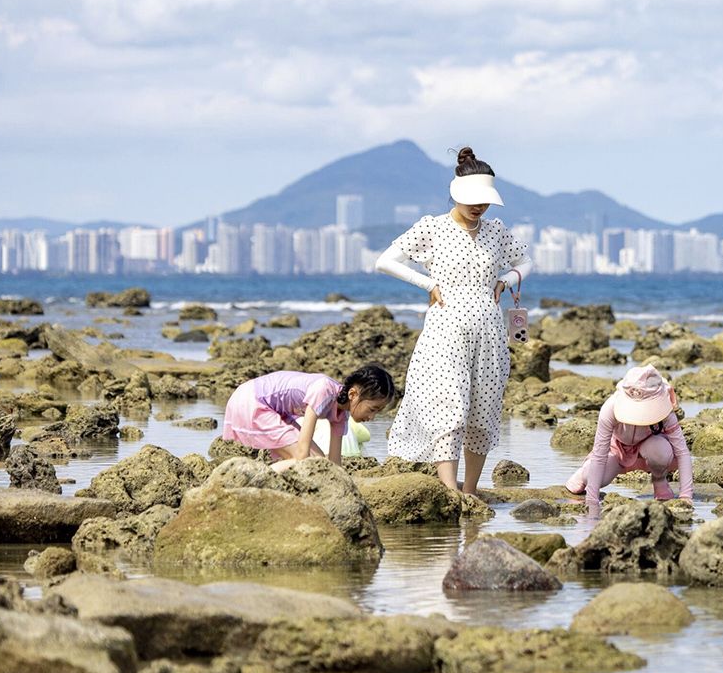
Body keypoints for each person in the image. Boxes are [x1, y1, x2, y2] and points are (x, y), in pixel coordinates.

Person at [375, 146, 532, 495]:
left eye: (485, 201)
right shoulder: (433, 228)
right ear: (456, 193)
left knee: (483, 409)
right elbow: (385, 261)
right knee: (449, 407)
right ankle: (449, 490)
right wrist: (428, 284)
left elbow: (526, 261)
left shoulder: (497, 231)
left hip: (489, 331)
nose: (479, 207)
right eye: (473, 200)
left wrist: (506, 281)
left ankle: (470, 491)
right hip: (446, 330)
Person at [563, 365, 693, 513]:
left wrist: (686, 496)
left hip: (649, 445)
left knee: (661, 451)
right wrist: (592, 499)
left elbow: (682, 452)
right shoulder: (610, 407)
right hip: (616, 449)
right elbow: (600, 454)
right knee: (592, 476)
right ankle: (582, 475)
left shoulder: (666, 410)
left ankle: (659, 481)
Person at [221, 364, 396, 468]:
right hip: (252, 400)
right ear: (353, 394)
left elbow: (334, 465)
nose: (372, 417)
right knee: (307, 461)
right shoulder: (324, 390)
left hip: (273, 409)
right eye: (372, 409)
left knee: (321, 464)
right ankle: (255, 482)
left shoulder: (340, 415)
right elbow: (302, 452)